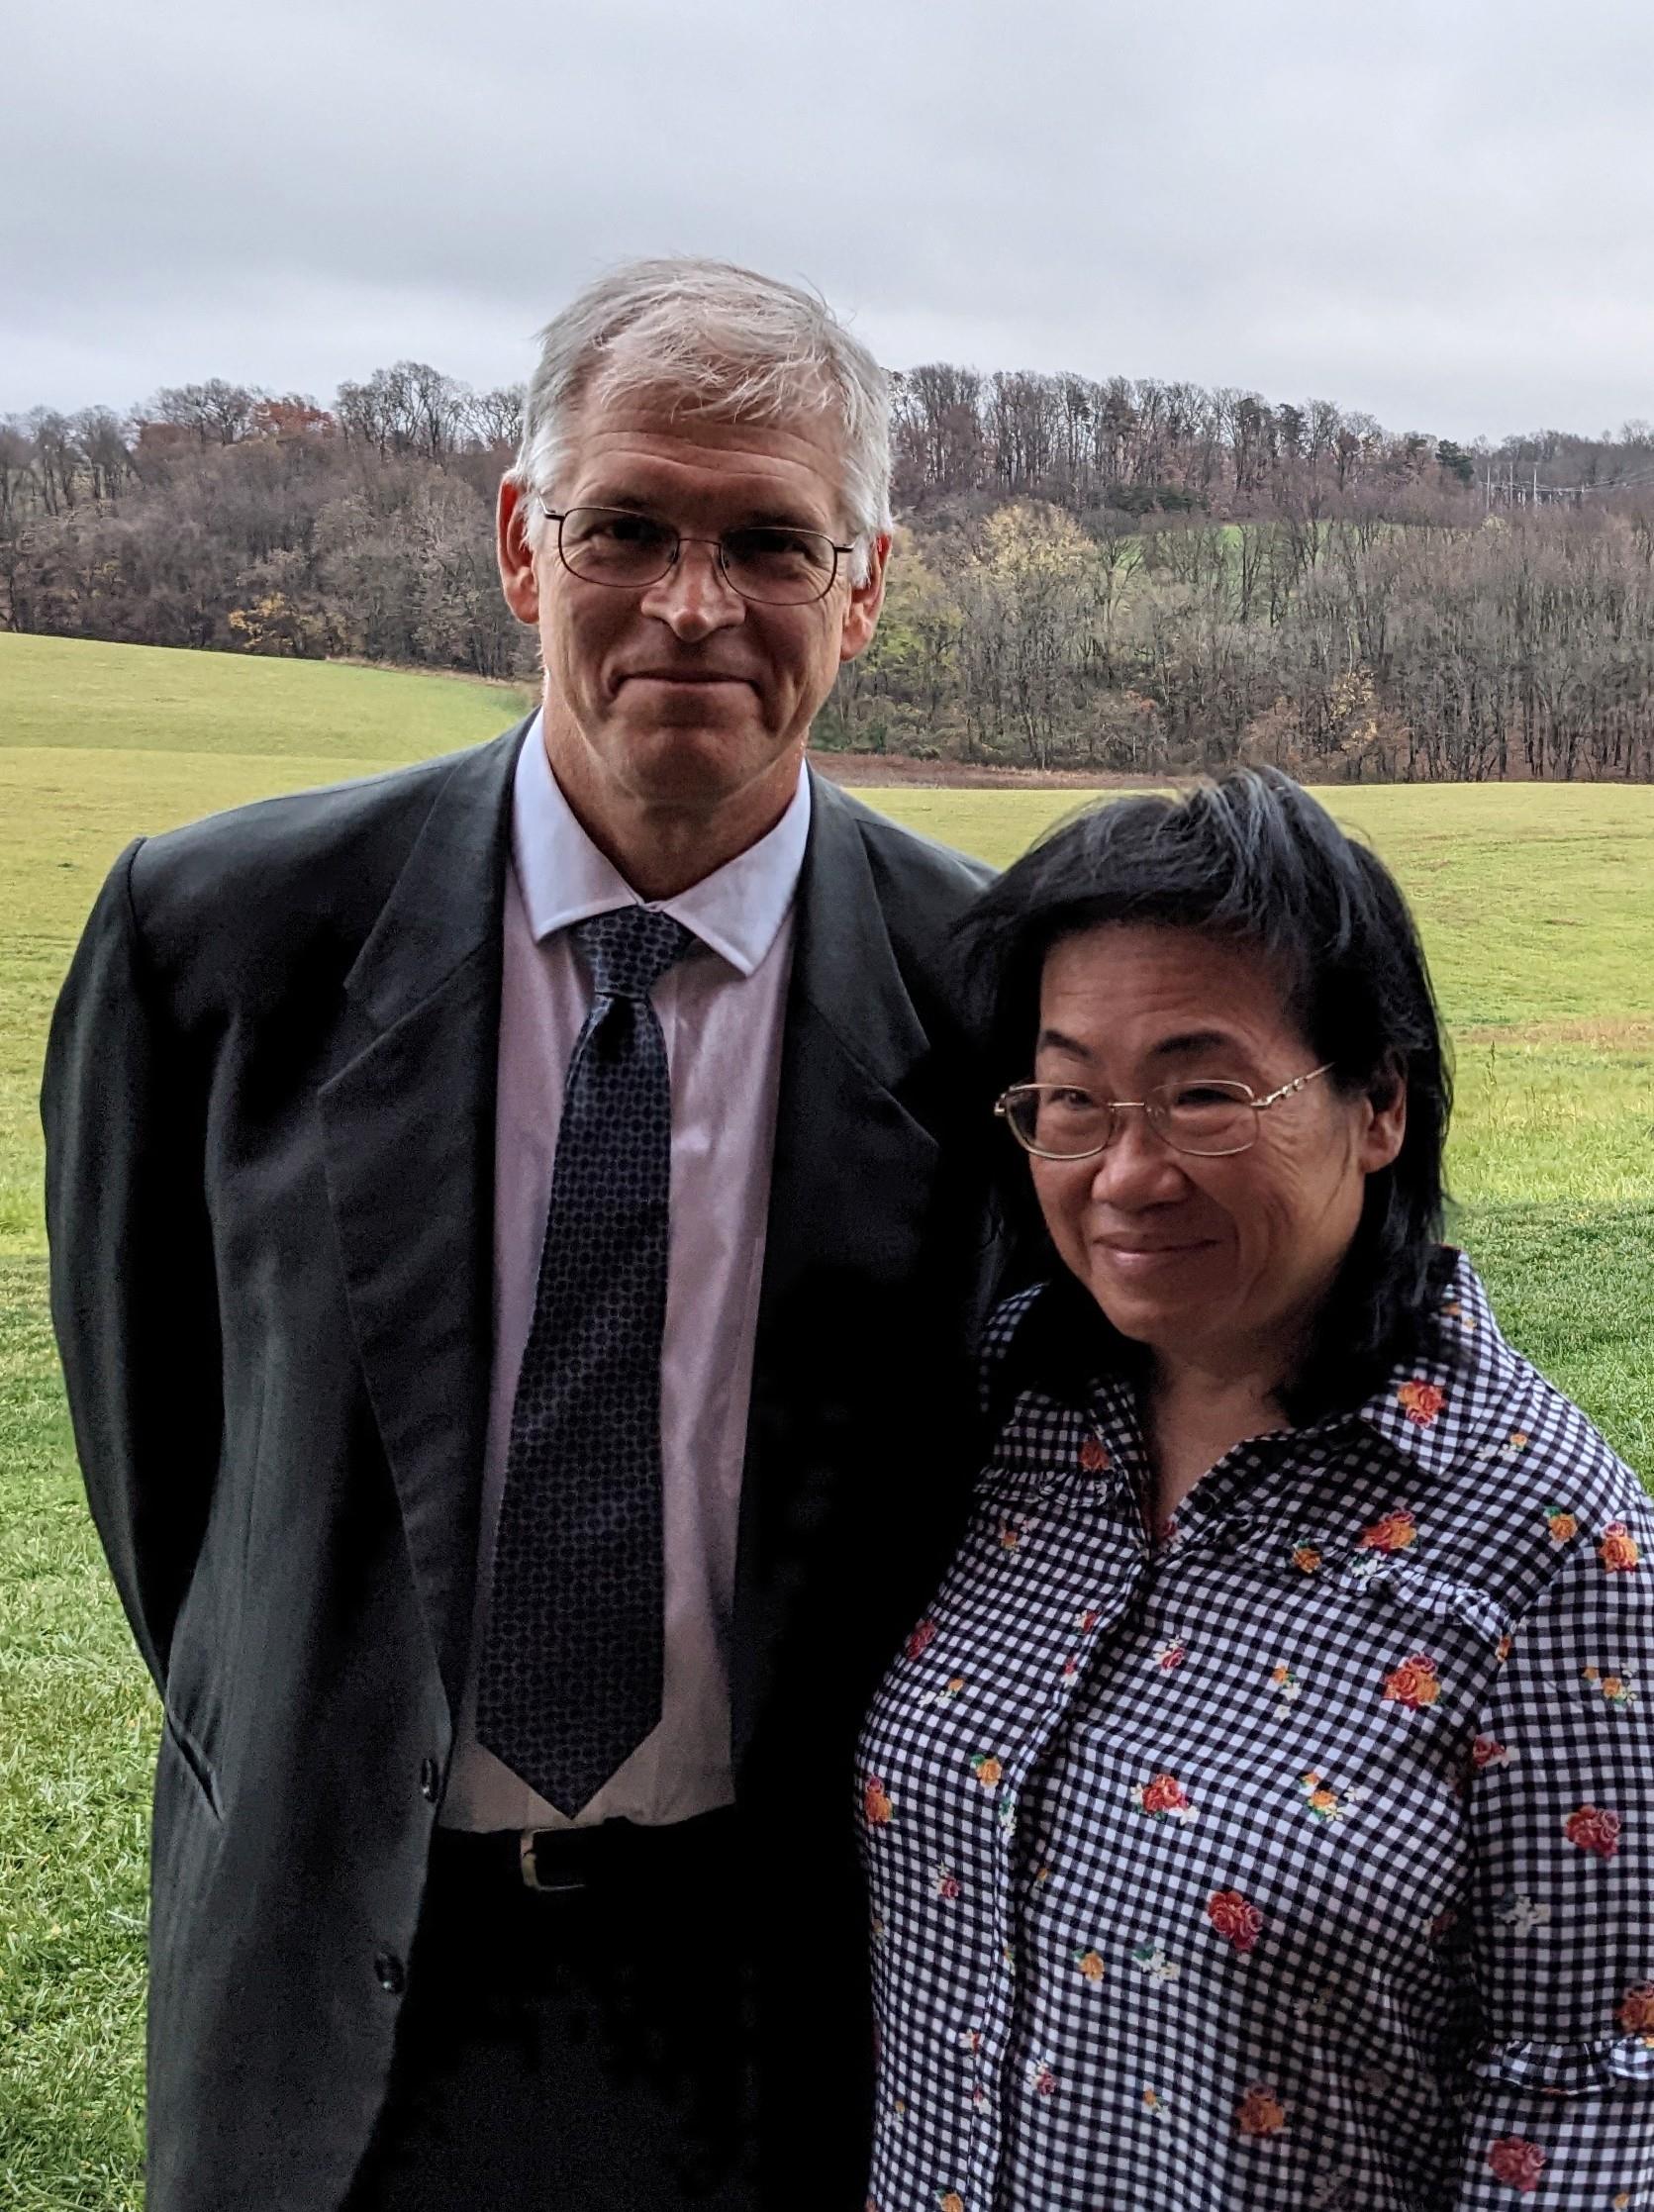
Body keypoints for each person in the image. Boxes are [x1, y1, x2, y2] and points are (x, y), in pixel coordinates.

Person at [42, 257, 1000, 2212]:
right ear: (518, 538)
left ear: (864, 584)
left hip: (789, 2001)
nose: (690, 602)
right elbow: (172, 1480)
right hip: (338, 1986)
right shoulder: (213, 943)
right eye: (628, 525)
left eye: (768, 542)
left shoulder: (986, 993)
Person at [857, 770, 1654, 2210]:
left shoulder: (1550, 1548)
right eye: (1072, 1099)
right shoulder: (1001, 1421)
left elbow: (1597, 2104)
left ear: (1381, 1107)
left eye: (1205, 1094)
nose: (1125, 1173)